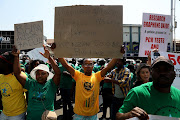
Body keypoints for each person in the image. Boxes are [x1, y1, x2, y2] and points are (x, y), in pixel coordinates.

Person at [12, 45, 61, 120]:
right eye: (37, 74)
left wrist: (49, 58)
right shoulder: (30, 84)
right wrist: (16, 56)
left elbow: (58, 73)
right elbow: (17, 73)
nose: (40, 76)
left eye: (43, 73)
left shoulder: (51, 84)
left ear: (48, 75)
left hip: (47, 118)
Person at [0, 51, 27, 120]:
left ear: (7, 64)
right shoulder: (0, 76)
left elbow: (30, 92)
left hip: (18, 114)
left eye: (1, 62)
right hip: (4, 113)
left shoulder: (20, 77)